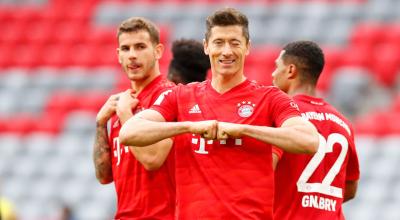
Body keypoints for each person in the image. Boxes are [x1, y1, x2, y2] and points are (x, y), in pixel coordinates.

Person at [118, 8, 319, 219]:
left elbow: (309, 140)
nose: (226, 51)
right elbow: (129, 132)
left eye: (234, 43)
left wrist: (242, 130)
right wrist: (190, 126)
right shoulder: (181, 96)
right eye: (219, 42)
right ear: (206, 47)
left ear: (247, 47)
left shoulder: (269, 98)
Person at [92, 17, 175, 219]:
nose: (132, 55)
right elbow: (104, 176)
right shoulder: (124, 103)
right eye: (126, 49)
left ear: (158, 51)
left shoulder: (168, 96)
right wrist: (100, 124)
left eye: (140, 47)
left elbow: (152, 159)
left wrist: (125, 116)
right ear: (118, 55)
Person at [271, 41, 360, 220]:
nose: (273, 74)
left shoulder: (283, 116)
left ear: (290, 70)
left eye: (276, 67)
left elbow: (264, 172)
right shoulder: (343, 123)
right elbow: (350, 188)